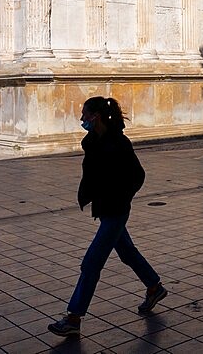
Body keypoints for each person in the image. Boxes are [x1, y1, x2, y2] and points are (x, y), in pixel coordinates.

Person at [48, 96, 167, 338]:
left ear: (96, 117)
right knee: (127, 252)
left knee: (91, 263)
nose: (82, 119)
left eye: (85, 115)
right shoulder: (93, 142)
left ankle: (74, 318)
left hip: (116, 211)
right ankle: (154, 287)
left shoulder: (119, 144)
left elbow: (138, 176)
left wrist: (121, 197)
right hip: (104, 210)